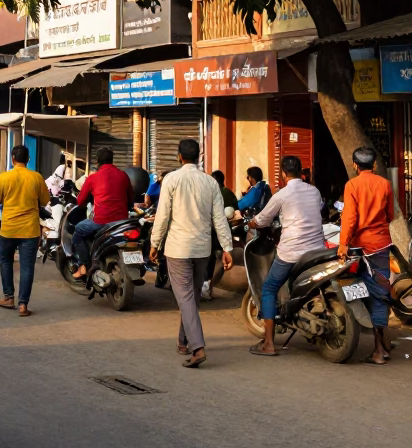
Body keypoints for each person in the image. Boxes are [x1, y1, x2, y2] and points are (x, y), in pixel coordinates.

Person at [150, 139, 233, 369]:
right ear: (199, 157)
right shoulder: (210, 182)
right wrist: (226, 247)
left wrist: (154, 243)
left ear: (179, 156)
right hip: (201, 249)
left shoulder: (172, 179)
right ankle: (182, 340)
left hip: (178, 248)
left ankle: (197, 348)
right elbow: (219, 218)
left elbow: (162, 216)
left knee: (187, 298)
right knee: (191, 297)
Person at [246, 155, 326, 356]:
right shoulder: (314, 191)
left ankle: (269, 344)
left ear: (283, 174)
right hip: (317, 251)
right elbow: (319, 209)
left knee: (269, 288)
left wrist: (252, 223)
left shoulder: (282, 194)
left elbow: (263, 219)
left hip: (291, 252)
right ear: (301, 172)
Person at [337, 146, 395, 364]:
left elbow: (349, 218)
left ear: (354, 165)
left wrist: (343, 244)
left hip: (359, 247)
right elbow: (390, 215)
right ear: (375, 164)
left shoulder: (352, 185)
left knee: (358, 289)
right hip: (380, 245)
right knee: (380, 292)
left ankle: (379, 350)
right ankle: (383, 344)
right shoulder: (385, 184)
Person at [0, 145, 50, 316]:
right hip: (30, 230)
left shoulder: (3, 178)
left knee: (6, 260)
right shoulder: (36, 177)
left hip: (8, 228)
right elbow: (45, 200)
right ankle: (23, 305)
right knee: (27, 266)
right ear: (28, 159)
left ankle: (8, 297)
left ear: (12, 159)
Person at [72, 147, 134, 280]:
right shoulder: (123, 175)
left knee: (78, 231)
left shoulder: (93, 178)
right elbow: (131, 200)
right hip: (122, 223)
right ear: (112, 160)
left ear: (98, 161)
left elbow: (80, 201)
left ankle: (83, 266)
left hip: (101, 222)